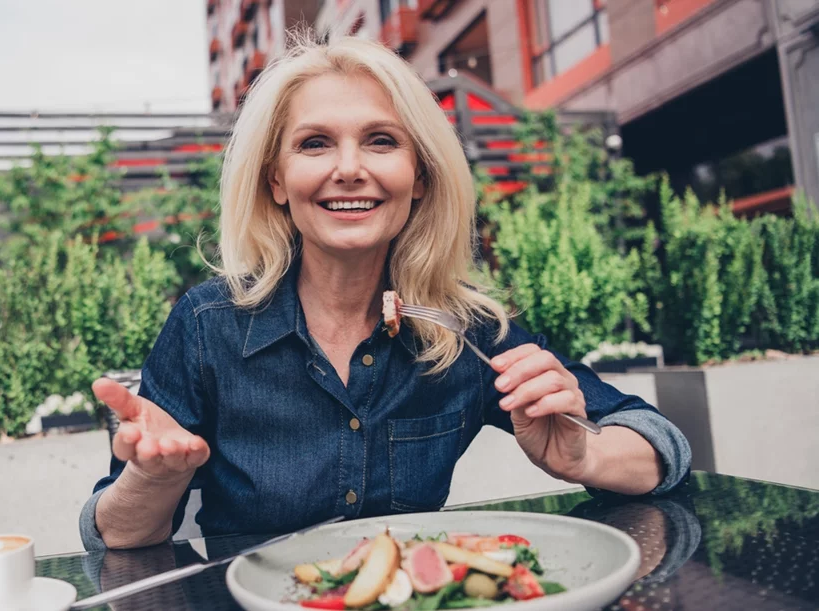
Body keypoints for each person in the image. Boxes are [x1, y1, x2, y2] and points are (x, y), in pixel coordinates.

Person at [81, 34, 691, 551]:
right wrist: (153, 477)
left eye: (381, 140)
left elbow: (660, 443)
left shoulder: (465, 329)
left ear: (420, 176)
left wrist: (584, 455)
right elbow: (111, 535)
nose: (349, 168)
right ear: (276, 180)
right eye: (315, 143)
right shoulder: (206, 325)